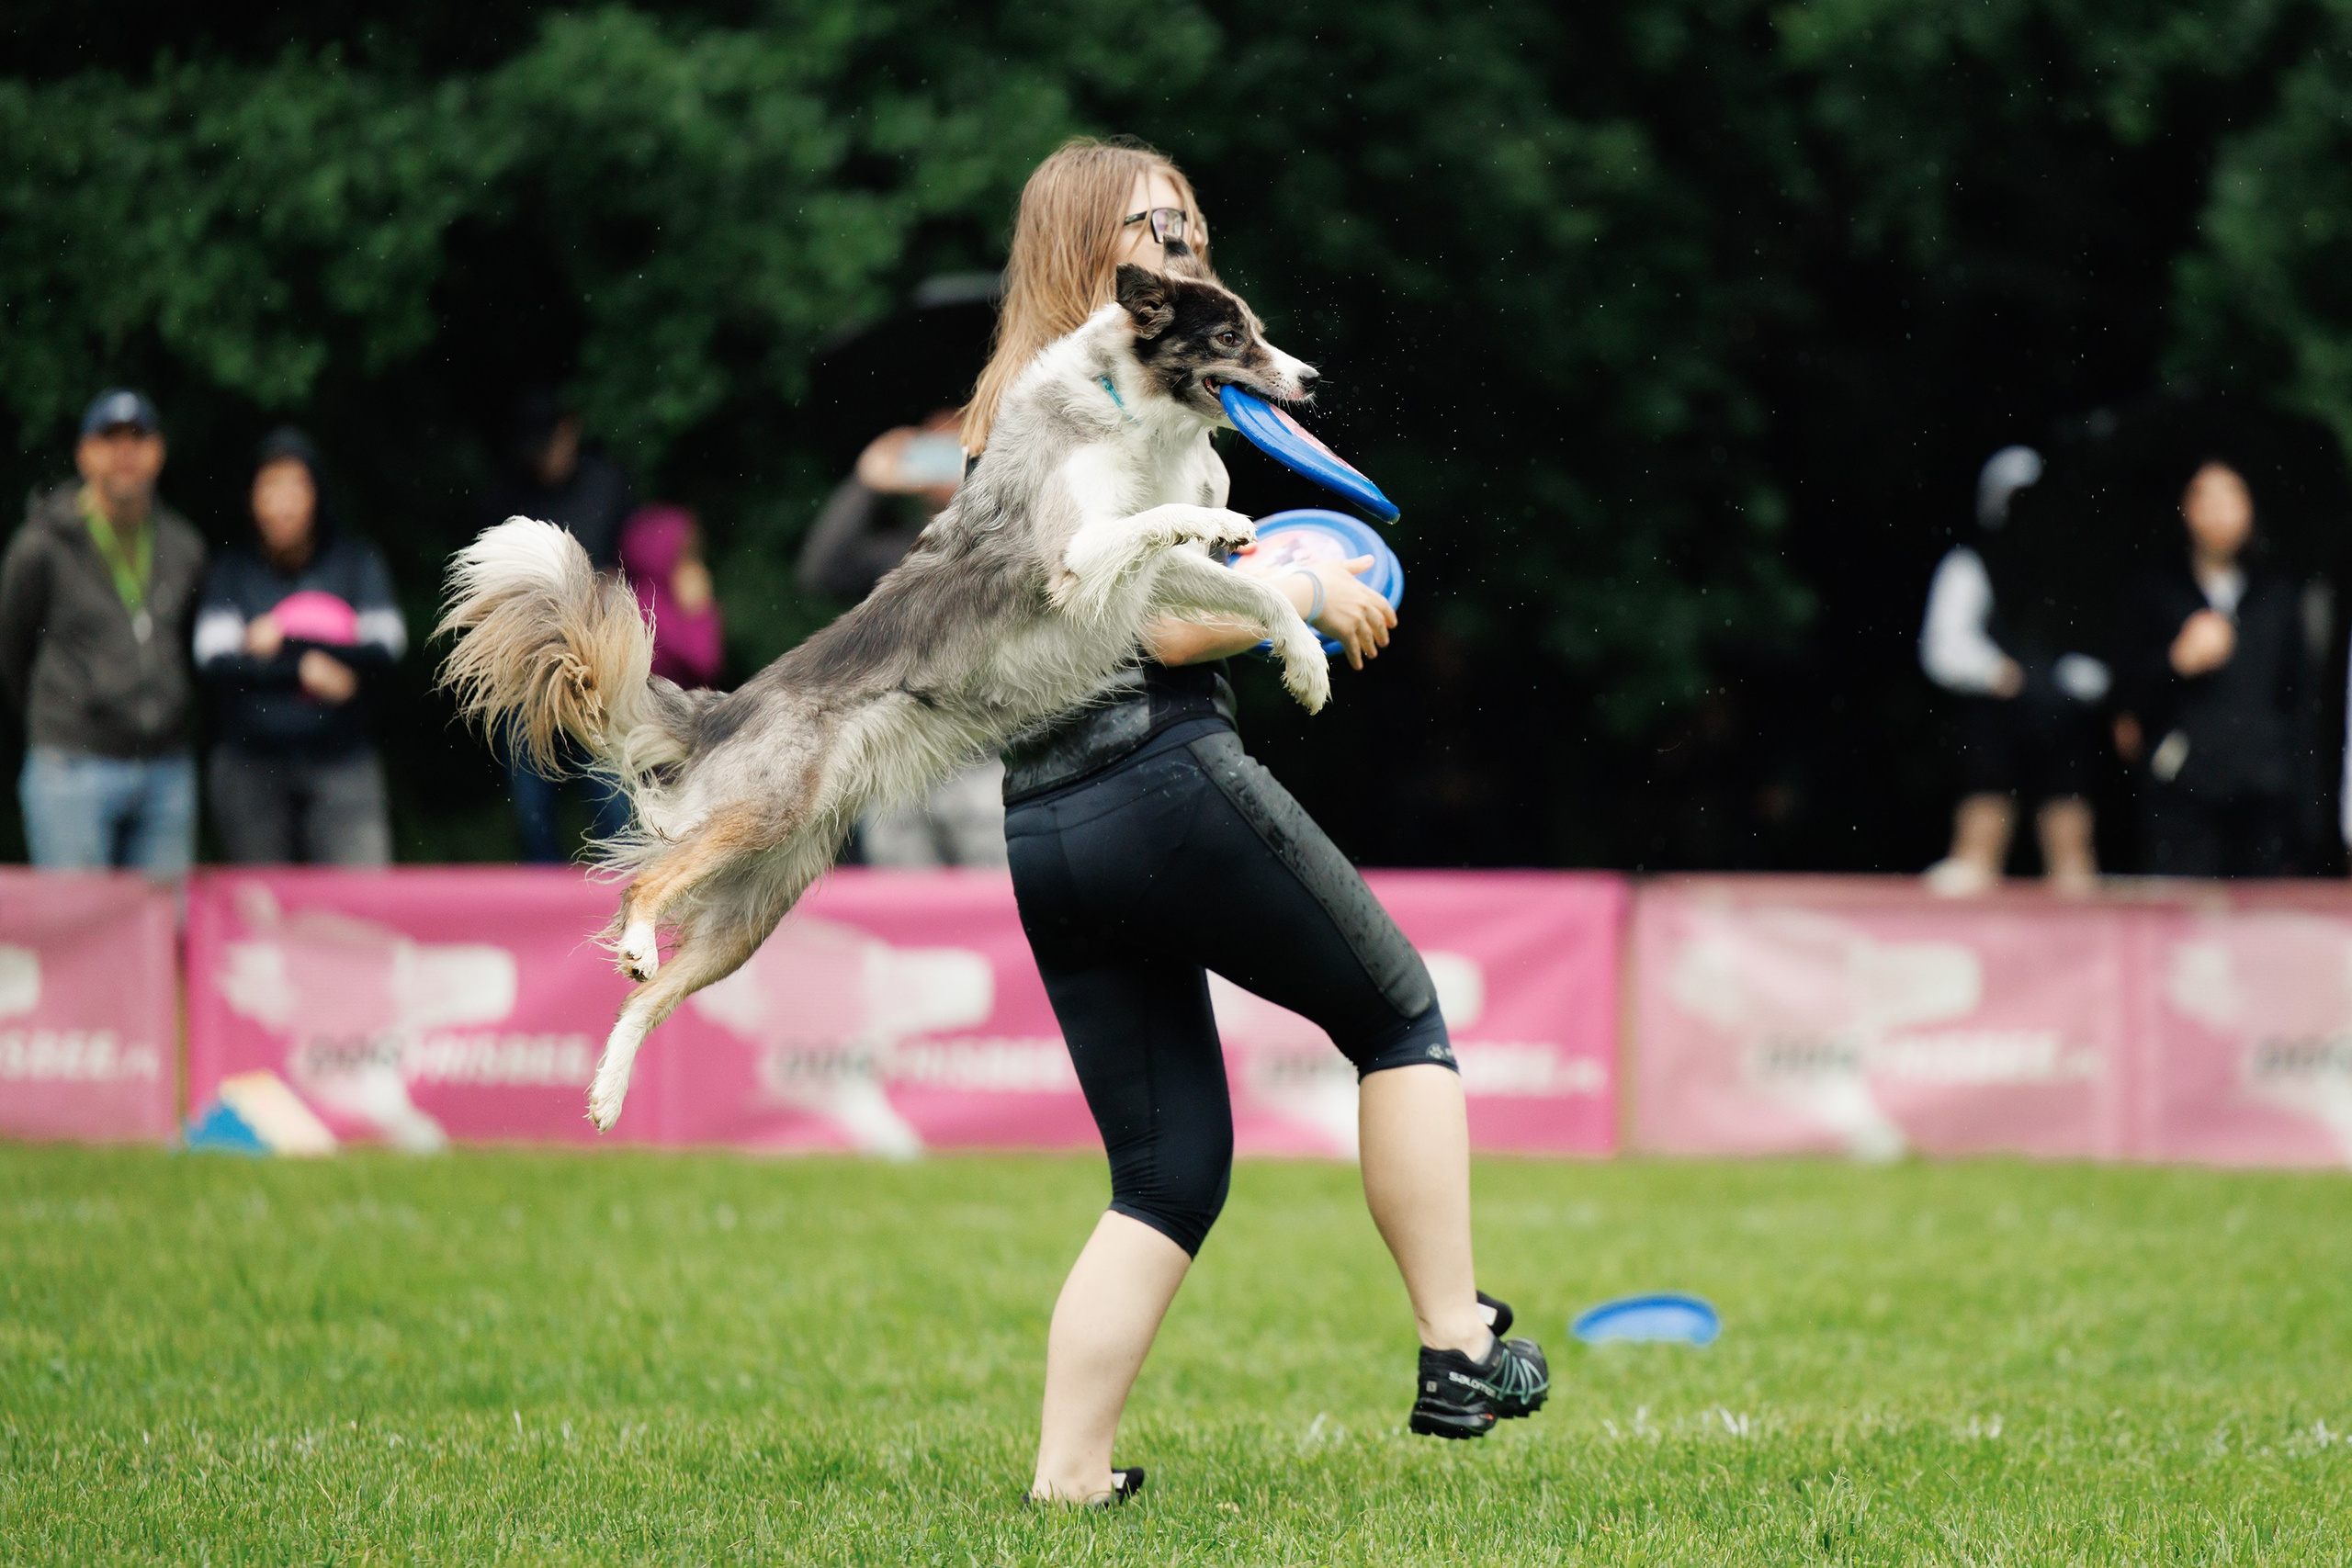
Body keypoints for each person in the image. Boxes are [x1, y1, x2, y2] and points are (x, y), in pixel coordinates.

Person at [969, 139, 1547, 1507]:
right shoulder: (1106, 410)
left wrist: (1265, 560)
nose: (1177, 245)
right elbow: (1153, 618)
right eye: (1144, 227)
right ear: (1080, 253)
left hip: (1046, 824)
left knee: (1167, 1171)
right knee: (1399, 1018)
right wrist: (1296, 584)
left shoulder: (1010, 413)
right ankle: (1458, 1338)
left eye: (1188, 222)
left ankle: (1070, 1473)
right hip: (1156, 780)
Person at [0, 389, 207, 874]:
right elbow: (12, 649)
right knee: (81, 931)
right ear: (83, 453)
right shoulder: (42, 546)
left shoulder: (184, 545)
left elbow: (189, 645)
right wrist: (62, 715)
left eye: (139, 437)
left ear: (159, 452)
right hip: (72, 766)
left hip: (166, 770)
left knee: (160, 935)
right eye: (110, 437)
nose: (125, 451)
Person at [799, 409, 1009, 867]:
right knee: (906, 921)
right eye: (927, 452)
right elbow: (820, 570)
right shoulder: (895, 552)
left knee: (995, 914)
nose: (938, 464)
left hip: (983, 766)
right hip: (900, 775)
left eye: (953, 449)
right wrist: (867, 481)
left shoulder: (1006, 541)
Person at [193, 428, 404, 865]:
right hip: (251, 769)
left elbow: (385, 650)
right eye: (270, 487)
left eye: (296, 486)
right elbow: (214, 663)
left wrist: (287, 640)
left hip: (343, 765)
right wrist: (303, 672)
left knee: (358, 912)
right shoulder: (231, 571)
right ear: (251, 498)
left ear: (318, 493)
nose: (283, 503)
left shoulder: (356, 563)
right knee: (262, 917)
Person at [1918, 445, 2109, 894]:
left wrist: (2066, 683)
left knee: (2072, 849)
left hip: (2061, 719)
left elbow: (2099, 651)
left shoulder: (2074, 573)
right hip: (1995, 717)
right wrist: (1998, 674)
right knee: (1979, 841)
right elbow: (1944, 646)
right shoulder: (1970, 565)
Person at [2115, 459, 2311, 876]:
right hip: (2182, 793)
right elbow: (2125, 698)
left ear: (2251, 508)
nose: (2219, 510)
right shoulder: (2156, 590)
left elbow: (2299, 701)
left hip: (2261, 794)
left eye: (2231, 496)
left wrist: (2304, 811)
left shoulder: (2277, 596)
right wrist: (2176, 661)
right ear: (2185, 509)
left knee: (2259, 926)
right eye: (2206, 496)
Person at [474, 391, 634, 861]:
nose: (541, 456)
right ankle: (539, 914)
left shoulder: (607, 484)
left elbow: (634, 566)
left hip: (596, 669)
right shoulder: (504, 493)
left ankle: (628, 907)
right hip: (527, 672)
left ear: (570, 430)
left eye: (547, 443)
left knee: (616, 808)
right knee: (532, 813)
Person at [617, 504, 724, 691]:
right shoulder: (649, 607)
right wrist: (699, 613)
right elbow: (705, 661)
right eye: (687, 558)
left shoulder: (639, 597)